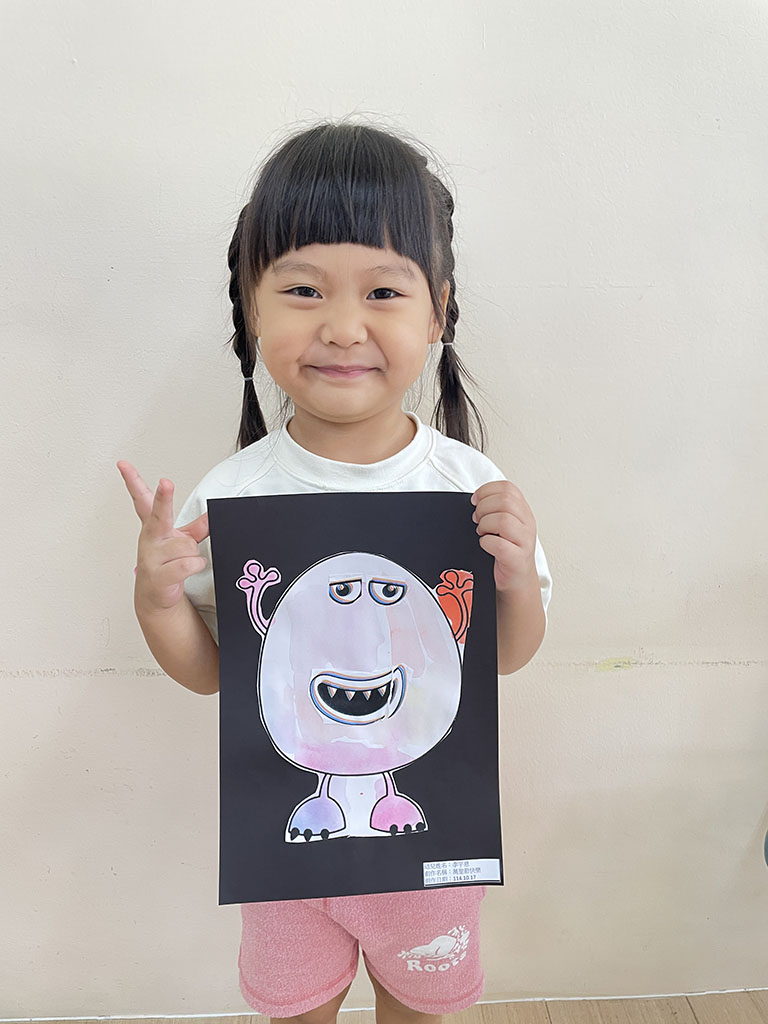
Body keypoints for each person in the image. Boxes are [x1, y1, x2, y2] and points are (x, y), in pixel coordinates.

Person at [118, 119, 552, 1024]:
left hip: (429, 844)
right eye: (303, 289)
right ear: (252, 307)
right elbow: (215, 674)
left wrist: (513, 578)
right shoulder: (232, 495)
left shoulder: (470, 487)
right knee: (296, 1009)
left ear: (437, 311)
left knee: (420, 1008)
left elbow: (502, 660)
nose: (343, 327)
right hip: (287, 853)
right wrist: (157, 601)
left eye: (384, 291)